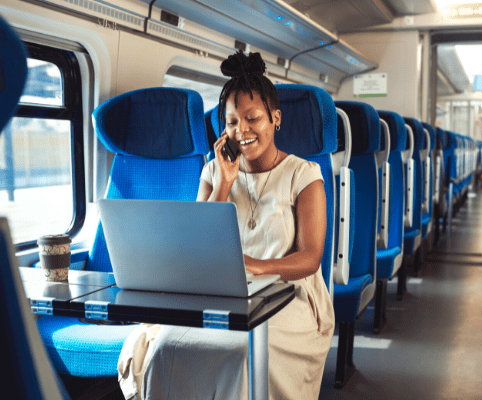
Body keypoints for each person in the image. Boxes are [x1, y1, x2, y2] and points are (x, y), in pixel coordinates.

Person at [117, 50, 335, 400]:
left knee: (245, 355)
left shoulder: (304, 174)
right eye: (232, 122)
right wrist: (224, 182)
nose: (242, 131)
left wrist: (255, 267)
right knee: (166, 350)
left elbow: (310, 258)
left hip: (286, 295)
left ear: (275, 118)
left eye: (253, 118)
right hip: (220, 296)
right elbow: (194, 247)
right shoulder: (212, 173)